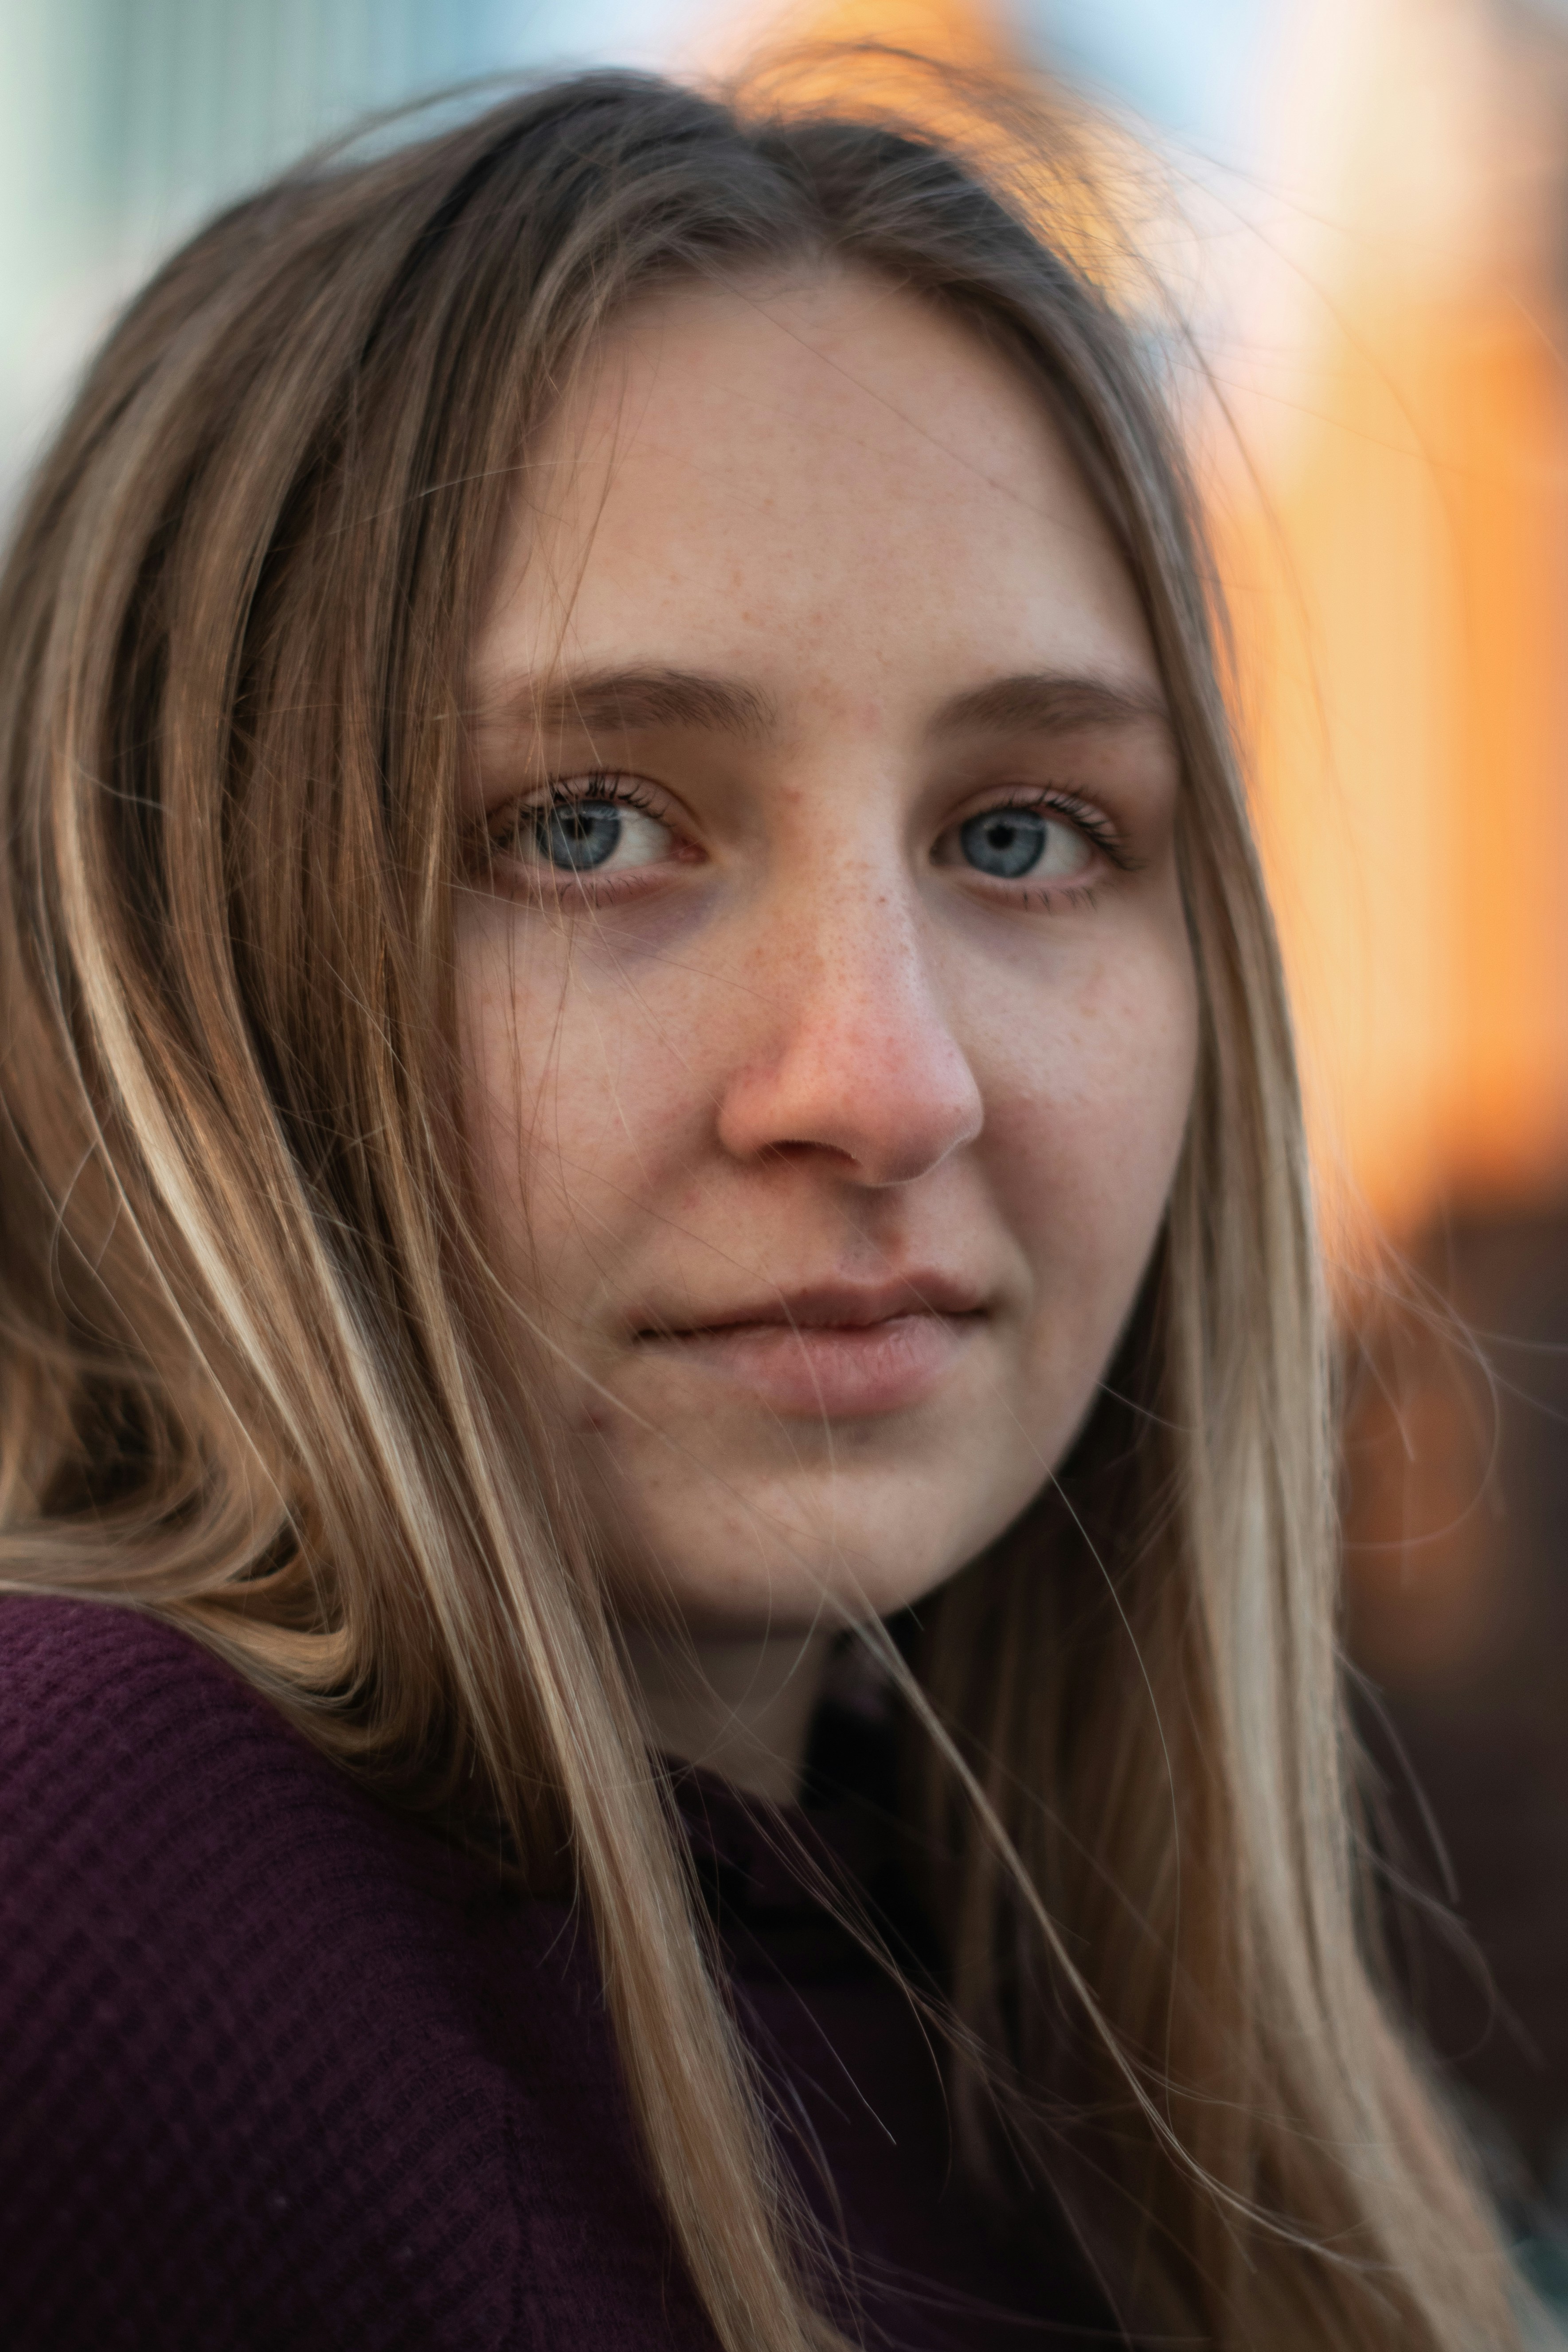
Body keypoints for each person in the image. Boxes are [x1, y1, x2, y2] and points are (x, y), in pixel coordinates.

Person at [0, 63, 1535, 2352]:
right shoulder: (78, 1904)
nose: (887, 1083)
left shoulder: (1092, 2046)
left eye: (1024, 835)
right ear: (168, 936)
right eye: (593, 824)